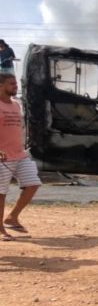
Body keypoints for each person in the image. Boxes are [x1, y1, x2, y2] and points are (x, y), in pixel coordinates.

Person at [0, 72, 41, 241]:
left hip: (19, 154)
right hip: (2, 157)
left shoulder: (16, 105)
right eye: (11, 84)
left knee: (33, 183)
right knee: (1, 193)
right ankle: (0, 229)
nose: (15, 86)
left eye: (15, 83)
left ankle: (12, 217)